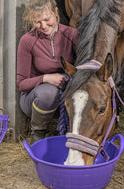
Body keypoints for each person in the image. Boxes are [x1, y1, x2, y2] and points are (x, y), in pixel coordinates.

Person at [17, 0, 78, 144]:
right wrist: (45, 78)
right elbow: (22, 84)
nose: (43, 26)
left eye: (46, 19)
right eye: (37, 22)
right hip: (35, 98)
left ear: (56, 13)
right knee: (49, 92)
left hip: (65, 92)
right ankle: (38, 132)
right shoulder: (27, 41)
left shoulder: (72, 35)